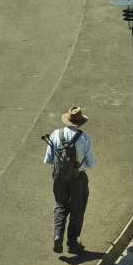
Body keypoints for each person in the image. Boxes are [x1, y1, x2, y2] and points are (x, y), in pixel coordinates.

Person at [41, 107, 95, 254]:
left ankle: (58, 235)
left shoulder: (55, 135)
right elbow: (91, 164)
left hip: (59, 178)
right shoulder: (84, 138)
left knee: (60, 206)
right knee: (77, 210)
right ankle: (72, 243)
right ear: (80, 122)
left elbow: (48, 160)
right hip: (79, 179)